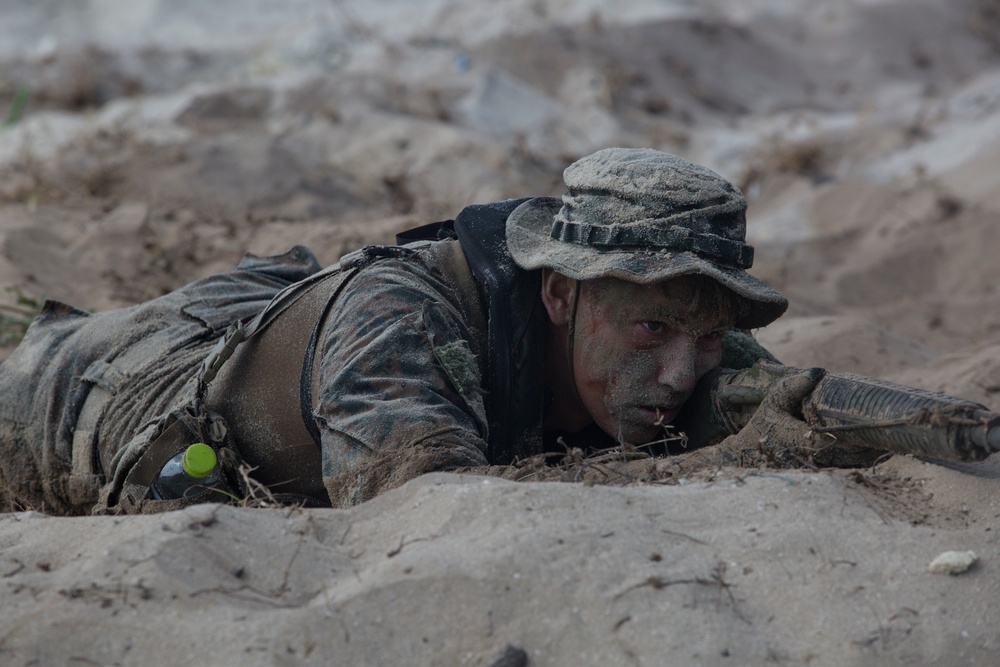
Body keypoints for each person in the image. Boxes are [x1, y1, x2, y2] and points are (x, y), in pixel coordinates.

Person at [0, 148, 840, 515]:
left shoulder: (680, 339)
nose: (677, 374)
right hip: (75, 397)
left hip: (277, 308)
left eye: (702, 339)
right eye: (652, 328)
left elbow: (774, 396)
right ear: (558, 295)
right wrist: (731, 460)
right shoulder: (401, 328)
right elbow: (422, 513)